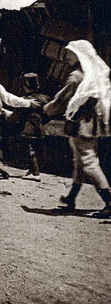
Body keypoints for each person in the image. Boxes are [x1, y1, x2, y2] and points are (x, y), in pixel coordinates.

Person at [43, 41, 111, 217]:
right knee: (80, 161)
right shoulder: (92, 74)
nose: (67, 56)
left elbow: (61, 100)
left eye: (71, 53)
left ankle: (109, 200)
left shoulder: (76, 76)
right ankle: (71, 197)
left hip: (80, 124)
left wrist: (47, 108)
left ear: (79, 55)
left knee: (88, 163)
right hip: (92, 124)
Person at [9, 73, 50, 181]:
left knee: (29, 150)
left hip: (26, 128)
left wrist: (8, 116)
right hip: (39, 128)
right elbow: (49, 113)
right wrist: (42, 122)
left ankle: (35, 173)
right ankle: (32, 171)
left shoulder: (24, 100)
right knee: (36, 149)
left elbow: (15, 116)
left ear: (24, 86)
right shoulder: (44, 99)